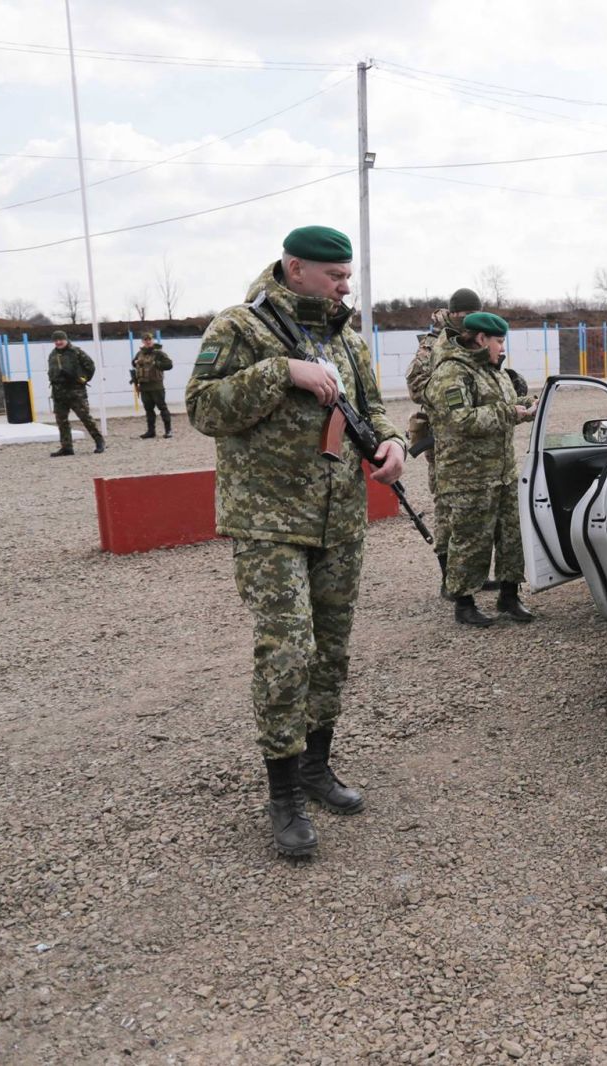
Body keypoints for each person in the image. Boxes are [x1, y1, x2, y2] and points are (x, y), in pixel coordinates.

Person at [186, 225, 406, 859]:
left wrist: (389, 443)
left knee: (331, 647)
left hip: (340, 518)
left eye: (348, 276)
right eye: (334, 275)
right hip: (269, 519)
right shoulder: (240, 328)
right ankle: (283, 792)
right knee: (288, 648)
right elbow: (203, 410)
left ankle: (316, 765)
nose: (345, 285)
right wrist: (280, 372)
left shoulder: (349, 338)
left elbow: (374, 408)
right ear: (295, 267)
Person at [422, 312, 535, 627]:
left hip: (502, 472)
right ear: (482, 339)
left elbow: (506, 404)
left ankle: (509, 596)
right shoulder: (452, 373)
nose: (502, 348)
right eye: (499, 341)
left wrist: (528, 405)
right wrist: (510, 412)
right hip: (467, 476)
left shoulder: (493, 371)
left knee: (511, 537)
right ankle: (464, 603)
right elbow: (460, 420)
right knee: (470, 540)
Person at [406, 288, 483, 592]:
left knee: (476, 505)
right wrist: (451, 395)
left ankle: (471, 573)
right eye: (461, 317)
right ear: (452, 315)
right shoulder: (433, 344)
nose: (467, 322)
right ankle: (448, 577)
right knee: (447, 505)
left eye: (472, 316)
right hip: (443, 436)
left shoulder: (478, 338)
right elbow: (416, 386)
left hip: (473, 433)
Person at [47, 330, 105, 457]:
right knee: (61, 421)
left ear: (66, 339)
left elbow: (90, 366)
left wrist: (82, 379)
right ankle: (66, 447)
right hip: (58, 393)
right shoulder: (52, 354)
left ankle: (99, 441)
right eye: (55, 340)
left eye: (60, 339)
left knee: (86, 418)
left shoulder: (76, 352)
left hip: (75, 392)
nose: (58, 342)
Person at [131, 333, 175, 438]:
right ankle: (151, 431)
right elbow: (133, 363)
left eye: (149, 339)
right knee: (148, 409)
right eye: (145, 339)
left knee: (162, 408)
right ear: (142, 341)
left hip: (156, 385)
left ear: (152, 340)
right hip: (144, 386)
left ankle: (168, 430)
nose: (148, 341)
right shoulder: (140, 353)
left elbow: (169, 365)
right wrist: (136, 362)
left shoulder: (159, 353)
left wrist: (157, 364)